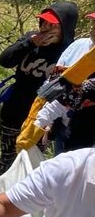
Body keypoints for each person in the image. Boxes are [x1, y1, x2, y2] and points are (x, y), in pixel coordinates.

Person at [0, 2, 78, 176]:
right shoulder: (31, 39)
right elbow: (5, 60)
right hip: (14, 111)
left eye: (52, 25)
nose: (45, 28)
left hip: (42, 119)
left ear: (65, 27)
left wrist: (52, 124)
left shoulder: (71, 52)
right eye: (43, 22)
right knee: (7, 159)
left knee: (29, 166)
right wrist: (30, 43)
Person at [32, 11, 95, 154]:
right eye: (93, 23)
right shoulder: (78, 46)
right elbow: (55, 81)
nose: (93, 28)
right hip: (64, 128)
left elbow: (79, 91)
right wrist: (46, 119)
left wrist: (44, 116)